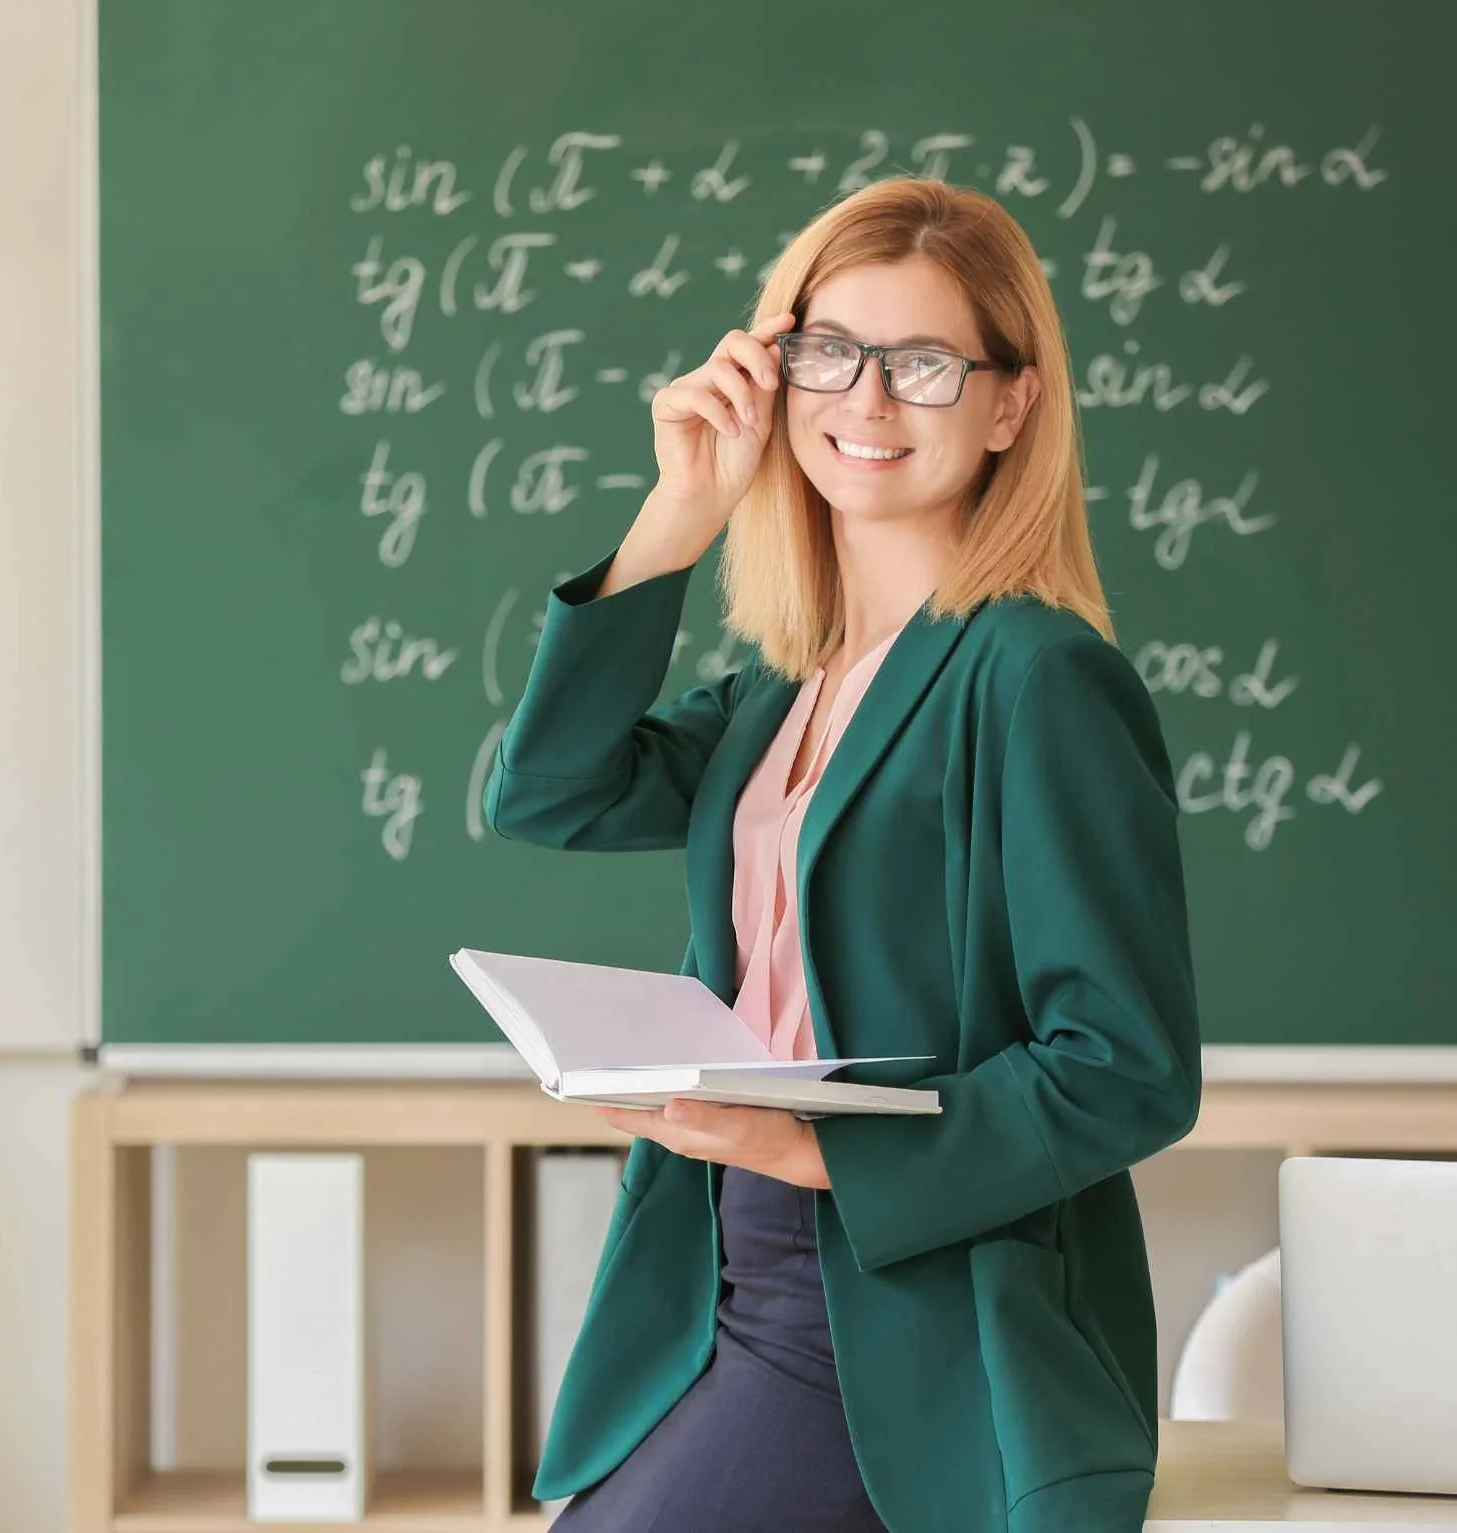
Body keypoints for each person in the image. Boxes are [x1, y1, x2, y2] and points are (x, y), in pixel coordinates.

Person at [481, 176, 1202, 1533]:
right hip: (718, 1279)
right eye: (828, 353)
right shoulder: (784, 689)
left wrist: (816, 1153)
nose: (864, 403)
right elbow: (552, 793)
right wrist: (675, 517)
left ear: (1008, 405)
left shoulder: (1036, 677)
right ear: (771, 371)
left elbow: (1127, 1073)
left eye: (923, 365)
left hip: (894, 1319)